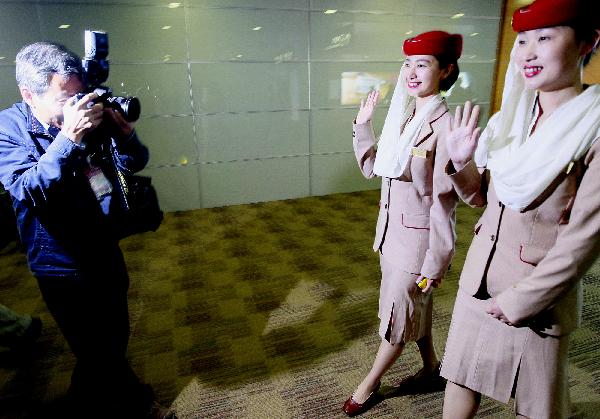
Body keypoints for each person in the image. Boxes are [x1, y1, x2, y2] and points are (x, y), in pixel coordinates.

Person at [440, 0, 600, 417]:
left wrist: (522, 301)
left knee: (538, 407)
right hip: (479, 280)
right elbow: (483, 200)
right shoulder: (510, 120)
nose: (527, 51)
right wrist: (461, 163)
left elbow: (584, 239)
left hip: (537, 297)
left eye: (545, 38)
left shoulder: (593, 127)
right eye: (522, 40)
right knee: (459, 377)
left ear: (588, 42)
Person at [0, 42, 173, 418]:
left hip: (102, 244)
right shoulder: (6, 129)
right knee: (94, 348)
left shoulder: (84, 111)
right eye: (64, 99)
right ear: (28, 94)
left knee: (112, 340)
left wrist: (124, 135)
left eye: (78, 95)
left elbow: (135, 161)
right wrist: (69, 139)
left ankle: (81, 402)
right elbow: (28, 187)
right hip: (58, 261)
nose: (76, 106)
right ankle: (138, 404)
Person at [343, 31, 462, 416]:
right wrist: (364, 125)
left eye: (422, 64)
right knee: (414, 308)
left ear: (445, 71)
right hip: (389, 235)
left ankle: (368, 385)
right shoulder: (405, 113)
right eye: (408, 63)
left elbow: (446, 203)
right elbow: (372, 168)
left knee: (397, 317)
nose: (411, 72)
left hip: (418, 246)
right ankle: (431, 367)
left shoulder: (445, 127)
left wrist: (437, 263)